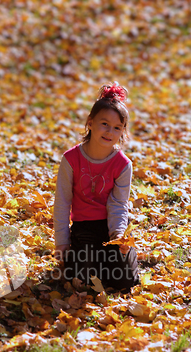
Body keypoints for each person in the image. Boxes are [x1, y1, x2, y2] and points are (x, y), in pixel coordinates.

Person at [53, 81, 139, 292]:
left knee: (125, 281)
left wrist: (118, 237)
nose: (110, 131)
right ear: (90, 123)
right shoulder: (71, 159)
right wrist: (61, 243)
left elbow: (119, 203)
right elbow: (62, 203)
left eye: (117, 127)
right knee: (84, 283)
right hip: (84, 228)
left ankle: (124, 257)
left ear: (122, 132)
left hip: (110, 226)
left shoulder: (123, 164)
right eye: (104, 124)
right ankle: (82, 260)